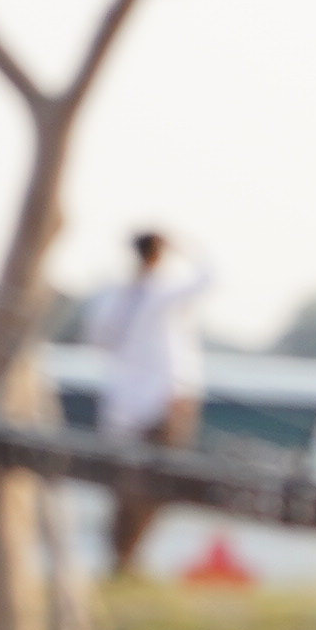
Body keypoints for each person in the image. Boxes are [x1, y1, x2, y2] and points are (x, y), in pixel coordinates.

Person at [80, 231, 211, 573]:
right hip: (130, 404)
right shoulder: (122, 294)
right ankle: (123, 558)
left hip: (162, 401)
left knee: (159, 485)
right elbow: (100, 338)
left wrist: (184, 249)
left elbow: (210, 279)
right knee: (128, 486)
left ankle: (130, 556)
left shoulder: (161, 292)